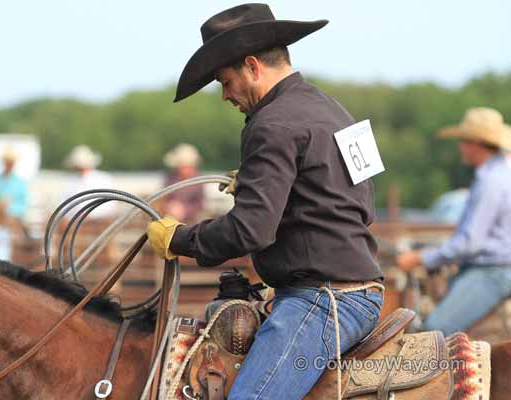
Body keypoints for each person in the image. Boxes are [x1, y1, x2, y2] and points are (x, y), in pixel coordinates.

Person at [146, 4, 384, 399]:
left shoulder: (271, 124)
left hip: (322, 301)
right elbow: (360, 204)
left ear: (253, 66)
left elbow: (249, 230)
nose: (224, 95)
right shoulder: (335, 110)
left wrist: (180, 240)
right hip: (357, 289)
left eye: (225, 81)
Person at [397, 107, 511, 336]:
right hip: (493, 266)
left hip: (494, 270)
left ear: (477, 144)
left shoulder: (491, 181)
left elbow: (469, 243)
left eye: (463, 140)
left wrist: (420, 257)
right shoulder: (498, 174)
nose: (460, 146)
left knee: (434, 330)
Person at [61, 145, 115, 219]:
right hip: (75, 223)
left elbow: (110, 206)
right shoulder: (69, 181)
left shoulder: (103, 179)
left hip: (99, 222)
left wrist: (91, 216)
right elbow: (64, 205)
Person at [161, 143, 205, 223]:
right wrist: (169, 207)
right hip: (169, 220)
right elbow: (164, 198)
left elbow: (200, 204)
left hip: (191, 222)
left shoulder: (199, 181)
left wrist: (184, 210)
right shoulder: (171, 178)